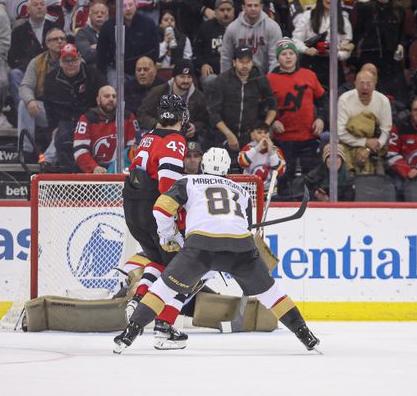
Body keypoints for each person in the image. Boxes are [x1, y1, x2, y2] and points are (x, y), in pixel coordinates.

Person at [113, 147, 321, 354]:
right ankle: (306, 335)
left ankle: (130, 333)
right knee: (271, 293)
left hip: (201, 246)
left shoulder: (189, 181)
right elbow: (245, 225)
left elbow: (161, 208)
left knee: (165, 288)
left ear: (203, 166)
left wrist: (168, 234)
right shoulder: (240, 190)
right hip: (241, 247)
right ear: (227, 169)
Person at [122, 94, 188, 344]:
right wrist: (174, 223)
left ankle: (139, 298)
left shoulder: (147, 137)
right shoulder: (175, 140)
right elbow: (167, 184)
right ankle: (164, 326)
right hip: (153, 211)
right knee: (183, 271)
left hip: (132, 209)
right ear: (181, 117)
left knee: (158, 260)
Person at [268, 38, 326, 194]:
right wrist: (272, 122)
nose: (288, 57)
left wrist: (320, 118)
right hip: (283, 140)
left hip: (308, 138)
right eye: (284, 54)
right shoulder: (270, 80)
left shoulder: (309, 75)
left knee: (311, 180)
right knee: (284, 181)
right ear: (278, 57)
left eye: (291, 53)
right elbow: (263, 107)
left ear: (296, 56)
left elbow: (322, 100)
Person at [42, 43, 107, 171]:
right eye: (66, 61)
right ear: (60, 62)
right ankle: (57, 168)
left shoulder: (93, 74)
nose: (70, 64)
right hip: (64, 119)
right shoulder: (51, 79)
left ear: (80, 58)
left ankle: (49, 159)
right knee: (62, 137)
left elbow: (102, 97)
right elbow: (48, 105)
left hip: (90, 118)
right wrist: (53, 126)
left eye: (74, 60)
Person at [350, 0, 409, 104]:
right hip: (369, 58)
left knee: (397, 98)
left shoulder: (399, 10)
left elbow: (404, 34)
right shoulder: (364, 9)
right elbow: (357, 34)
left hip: (391, 59)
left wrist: (401, 44)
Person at [207, 46, 277, 154]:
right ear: (234, 62)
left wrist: (262, 129)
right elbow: (213, 112)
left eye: (248, 62)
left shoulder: (260, 79)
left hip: (251, 136)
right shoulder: (222, 80)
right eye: (241, 62)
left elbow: (273, 105)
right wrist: (228, 134)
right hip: (224, 134)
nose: (245, 65)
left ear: (252, 62)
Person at [17, 27, 66, 163]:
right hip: (46, 108)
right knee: (24, 104)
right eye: (55, 39)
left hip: (67, 110)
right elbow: (25, 86)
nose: (60, 41)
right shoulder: (37, 62)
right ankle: (26, 150)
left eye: (62, 38)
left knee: (65, 125)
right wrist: (30, 100)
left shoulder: (74, 59)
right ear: (47, 44)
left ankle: (47, 162)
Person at [292, 0, 354, 89]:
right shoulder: (307, 16)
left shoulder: (344, 21)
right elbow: (295, 40)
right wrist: (306, 49)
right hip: (309, 63)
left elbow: (346, 50)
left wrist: (336, 54)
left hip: (332, 66)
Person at [137, 59, 209, 147]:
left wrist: (195, 127)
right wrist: (156, 125)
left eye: (189, 77)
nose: (186, 81)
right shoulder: (158, 92)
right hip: (159, 137)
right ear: (174, 77)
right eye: (182, 76)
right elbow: (142, 114)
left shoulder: (199, 97)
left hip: (186, 141)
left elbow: (205, 121)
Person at [337, 68, 392, 175]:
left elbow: (386, 132)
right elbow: (340, 132)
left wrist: (368, 149)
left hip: (375, 146)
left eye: (369, 84)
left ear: (375, 85)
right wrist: (364, 142)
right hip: (349, 143)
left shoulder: (383, 101)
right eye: (361, 83)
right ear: (355, 84)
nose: (365, 87)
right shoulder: (345, 99)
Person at [96, 0, 159, 83]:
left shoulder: (148, 23)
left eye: (130, 5)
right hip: (116, 69)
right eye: (124, 6)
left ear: (136, 5)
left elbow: (154, 49)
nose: (128, 8)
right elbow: (101, 52)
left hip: (142, 68)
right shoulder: (108, 26)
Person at [73, 85, 137, 174]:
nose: (111, 99)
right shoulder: (87, 118)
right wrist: (93, 167)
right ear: (98, 100)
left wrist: (122, 167)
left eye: (114, 96)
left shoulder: (128, 117)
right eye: (106, 96)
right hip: (94, 173)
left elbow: (133, 148)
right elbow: (80, 150)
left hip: (122, 171)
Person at [219, 0, 282, 75]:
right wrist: (226, 81)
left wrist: (270, 80)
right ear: (243, 8)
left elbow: (275, 59)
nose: (253, 8)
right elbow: (226, 57)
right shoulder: (232, 28)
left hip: (265, 76)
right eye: (249, 5)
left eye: (256, 5)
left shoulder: (272, 27)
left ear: (261, 7)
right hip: (239, 78)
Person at [193, 0, 236, 89]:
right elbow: (196, 52)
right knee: (211, 81)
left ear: (233, 11)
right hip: (212, 73)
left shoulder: (239, 28)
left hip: (235, 72)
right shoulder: (205, 28)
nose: (226, 13)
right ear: (215, 12)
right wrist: (202, 64)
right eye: (222, 10)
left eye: (228, 9)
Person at [75, 0, 109, 70]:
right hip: (91, 72)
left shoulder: (114, 31)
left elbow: (119, 54)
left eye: (103, 13)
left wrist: (96, 46)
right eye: (96, 13)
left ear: (107, 16)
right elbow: (87, 55)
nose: (99, 15)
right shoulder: (82, 33)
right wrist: (107, 48)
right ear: (90, 16)